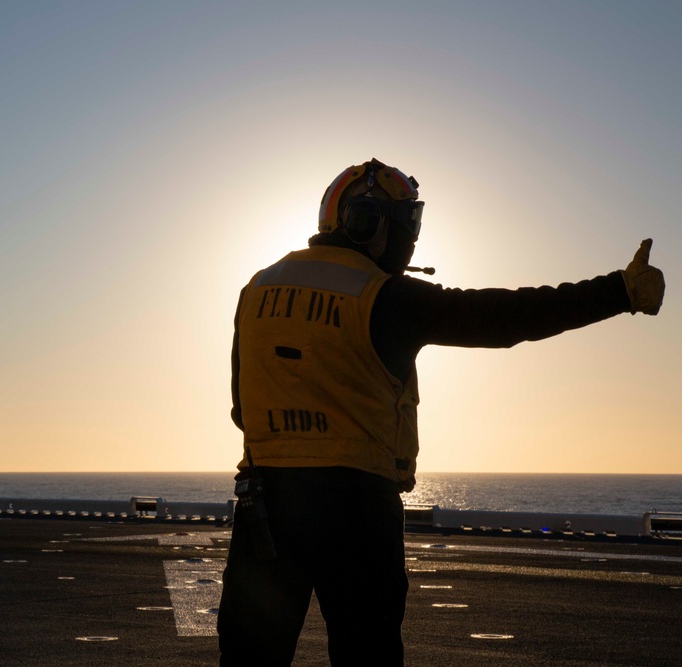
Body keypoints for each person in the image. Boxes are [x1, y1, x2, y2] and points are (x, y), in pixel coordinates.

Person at [216, 158, 665, 666]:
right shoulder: (383, 296)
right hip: (356, 509)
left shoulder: (255, 289)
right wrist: (618, 291)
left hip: (265, 507)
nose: (410, 239)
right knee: (368, 656)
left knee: (250, 657)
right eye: (406, 223)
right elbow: (506, 317)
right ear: (370, 222)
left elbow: (240, 407)